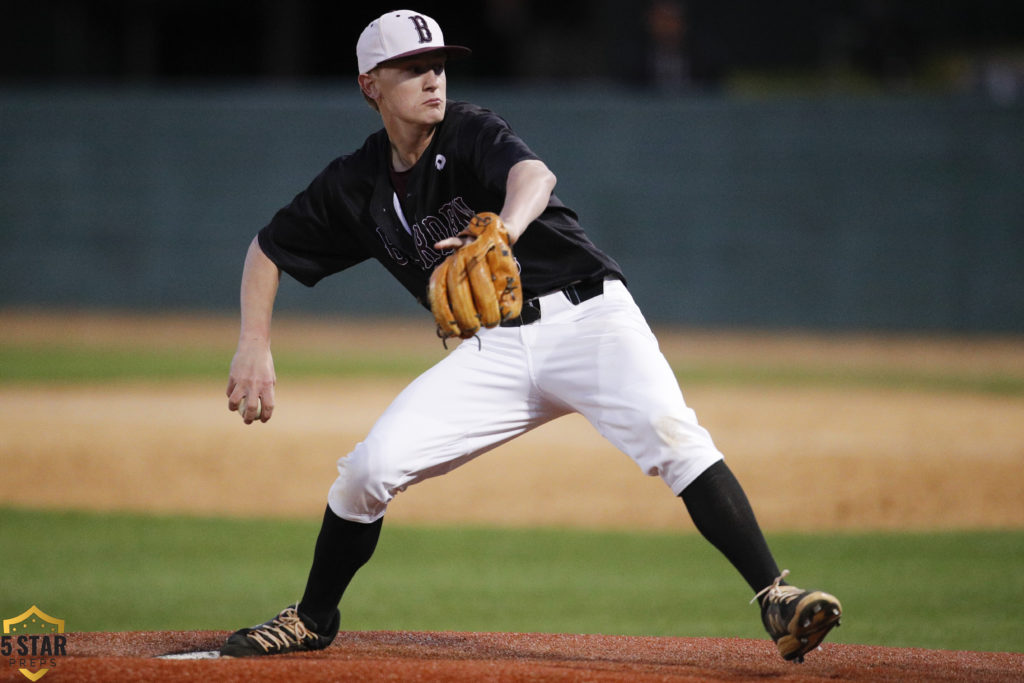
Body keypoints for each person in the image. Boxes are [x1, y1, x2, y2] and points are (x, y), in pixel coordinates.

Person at [220, 9, 842, 663]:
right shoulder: (355, 184)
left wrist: (505, 230)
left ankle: (777, 596)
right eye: (412, 68)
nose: (433, 79)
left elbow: (534, 177)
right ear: (370, 84)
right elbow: (269, 249)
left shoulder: (468, 131)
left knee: (675, 438)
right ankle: (314, 617)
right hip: (497, 351)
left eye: (438, 65)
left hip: (590, 319)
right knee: (367, 471)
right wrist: (253, 342)